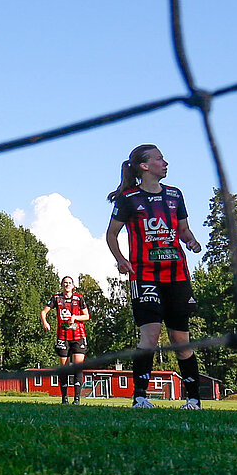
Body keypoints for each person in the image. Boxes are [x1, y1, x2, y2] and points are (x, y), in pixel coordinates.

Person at [105, 144, 206, 410]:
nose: (165, 162)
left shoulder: (175, 195)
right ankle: (140, 397)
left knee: (180, 340)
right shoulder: (128, 198)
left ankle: (193, 399)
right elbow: (111, 234)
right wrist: (121, 259)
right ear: (144, 166)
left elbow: (183, 230)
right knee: (149, 335)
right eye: (159, 158)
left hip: (177, 276)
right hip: (144, 275)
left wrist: (192, 242)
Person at [40, 275, 90, 404]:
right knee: (64, 368)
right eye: (65, 283)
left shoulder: (79, 298)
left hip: (78, 336)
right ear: (62, 285)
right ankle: (64, 398)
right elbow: (44, 312)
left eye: (69, 283)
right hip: (63, 337)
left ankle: (77, 399)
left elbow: (86, 316)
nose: (67, 285)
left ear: (73, 286)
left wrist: (75, 317)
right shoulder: (56, 298)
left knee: (78, 367)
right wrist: (45, 322)